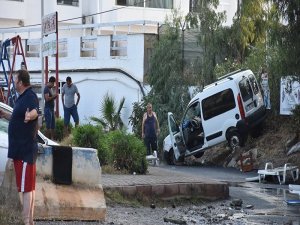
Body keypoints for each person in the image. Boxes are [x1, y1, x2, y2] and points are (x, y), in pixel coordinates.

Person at [0, 69, 39, 225]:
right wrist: (6, 115)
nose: (14, 83)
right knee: (29, 187)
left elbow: (36, 111)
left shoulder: (30, 96)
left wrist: (30, 116)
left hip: (24, 150)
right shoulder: (21, 98)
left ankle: (26, 221)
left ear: (21, 82)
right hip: (21, 150)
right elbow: (17, 117)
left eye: (15, 80)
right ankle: (29, 221)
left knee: (26, 189)